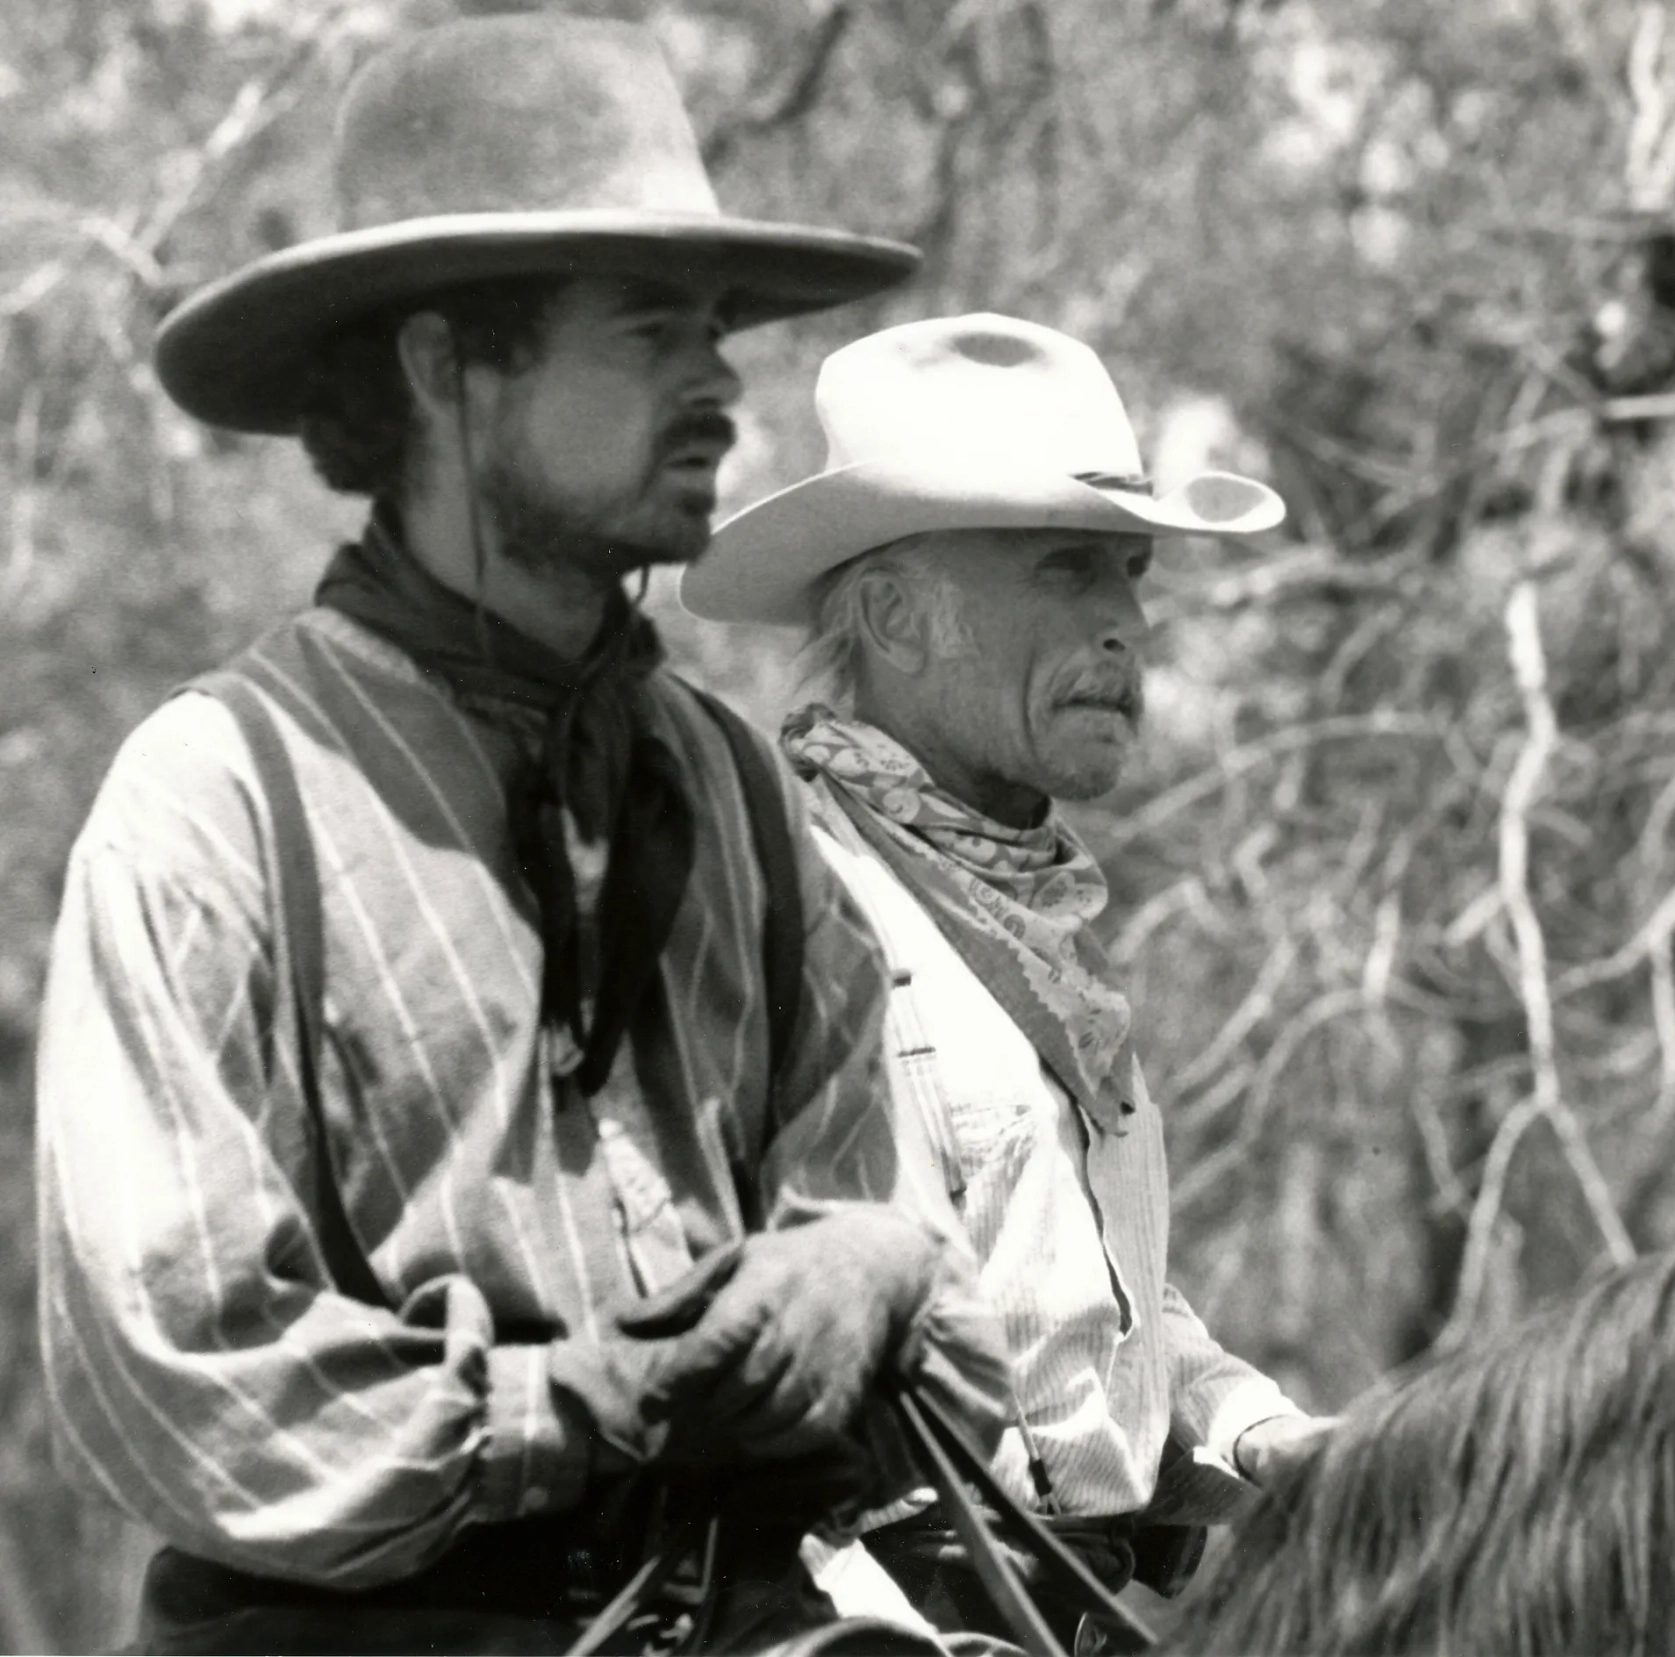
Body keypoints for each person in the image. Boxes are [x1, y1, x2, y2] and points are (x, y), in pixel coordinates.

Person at [36, 20, 1006, 1655]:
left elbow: (913, 1246)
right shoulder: (217, 797)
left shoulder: (741, 799)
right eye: (648, 332)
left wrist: (881, 1266)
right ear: (446, 368)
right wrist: (582, 1401)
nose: (719, 386)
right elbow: (171, 1373)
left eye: (718, 333)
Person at [680, 314, 1333, 1646]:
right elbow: (744, 1385)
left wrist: (1260, 1431)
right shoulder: (779, 909)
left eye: (1130, 574)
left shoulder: (1033, 923)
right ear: (897, 614)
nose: (1130, 622)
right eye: (1068, 571)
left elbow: (1093, 1313)